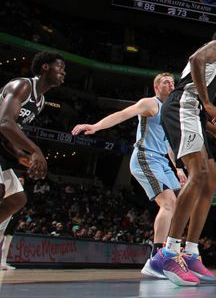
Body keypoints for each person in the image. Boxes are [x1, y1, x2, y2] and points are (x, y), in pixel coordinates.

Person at [71, 72, 190, 278]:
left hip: (162, 160)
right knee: (168, 202)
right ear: (156, 87)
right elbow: (122, 114)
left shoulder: (171, 110)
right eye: (165, 82)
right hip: (145, 157)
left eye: (172, 82)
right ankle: (156, 258)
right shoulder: (149, 104)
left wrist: (178, 168)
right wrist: (96, 126)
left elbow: (169, 143)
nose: (170, 84)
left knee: (179, 204)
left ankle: (169, 253)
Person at [155, 30, 216, 286]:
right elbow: (195, 59)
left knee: (211, 183)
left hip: (194, 116)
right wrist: (207, 101)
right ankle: (169, 254)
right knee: (199, 175)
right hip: (185, 107)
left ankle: (191, 252)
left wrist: (215, 132)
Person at [0, 53, 64, 239]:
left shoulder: (40, 101)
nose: (63, 73)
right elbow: (4, 122)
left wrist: (20, 155)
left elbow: (8, 134)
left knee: (17, 199)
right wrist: (36, 150)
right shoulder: (22, 85)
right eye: (60, 68)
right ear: (45, 67)